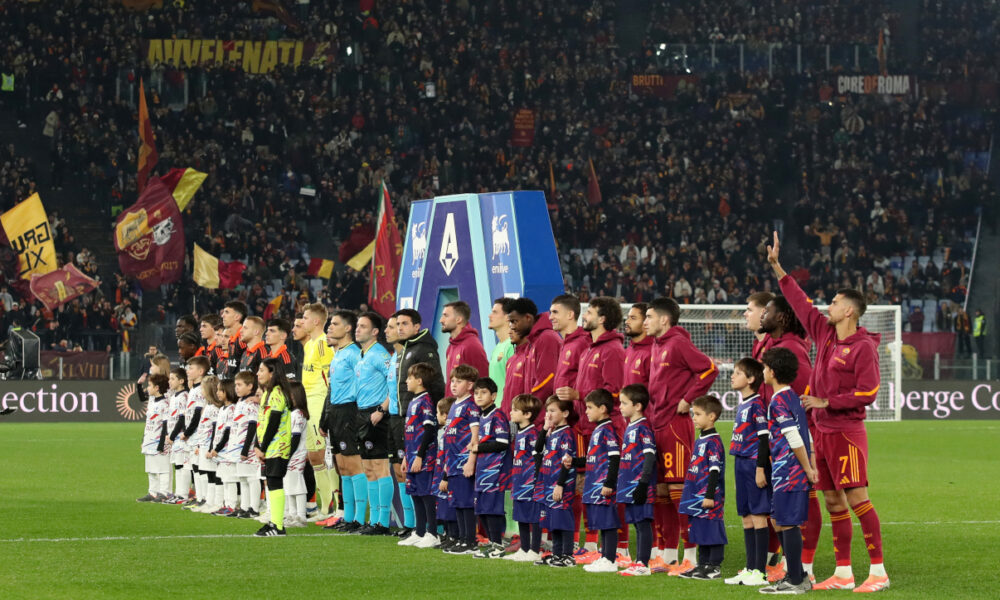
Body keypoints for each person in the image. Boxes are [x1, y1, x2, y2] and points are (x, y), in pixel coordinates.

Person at [767, 232, 889, 592]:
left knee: (857, 499)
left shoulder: (863, 347)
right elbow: (801, 303)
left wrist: (826, 402)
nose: (828, 307)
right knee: (833, 501)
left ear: (849, 310)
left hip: (847, 432)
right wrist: (777, 267)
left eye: (834, 303)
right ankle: (843, 572)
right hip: (821, 433)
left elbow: (869, 391)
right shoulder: (825, 335)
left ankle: (879, 572)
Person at [643, 297, 718, 574]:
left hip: (675, 425)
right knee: (661, 492)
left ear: (664, 319)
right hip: (658, 423)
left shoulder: (677, 343)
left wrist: (688, 398)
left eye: (649, 316)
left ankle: (692, 556)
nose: (645, 321)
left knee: (679, 491)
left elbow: (709, 368)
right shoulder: (657, 344)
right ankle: (667, 555)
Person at [556, 295, 625, 561]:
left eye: (590, 312)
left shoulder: (613, 350)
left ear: (602, 319)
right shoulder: (589, 348)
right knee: (584, 486)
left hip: (608, 428)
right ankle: (591, 545)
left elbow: (613, 393)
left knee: (608, 487)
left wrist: (578, 395)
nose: (584, 316)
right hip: (585, 427)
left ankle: (617, 548)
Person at [759, 295, 818, 581]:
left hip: (790, 463)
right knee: (779, 518)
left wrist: (808, 465)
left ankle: (799, 573)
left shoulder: (782, 397)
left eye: (766, 310)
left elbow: (796, 432)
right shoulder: (789, 397)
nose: (761, 314)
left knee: (789, 518)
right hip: (786, 459)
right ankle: (793, 572)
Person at [724, 358, 771, 587]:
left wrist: (760, 469)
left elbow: (764, 438)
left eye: (738, 372)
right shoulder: (744, 404)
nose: (732, 376)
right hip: (741, 464)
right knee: (745, 516)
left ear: (751, 379)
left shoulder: (757, 405)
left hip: (753, 464)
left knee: (758, 515)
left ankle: (760, 571)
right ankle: (750, 568)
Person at [321, 310, 365, 532]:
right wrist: (325, 417)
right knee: (343, 467)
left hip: (350, 411)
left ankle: (360, 518)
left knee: (354, 465)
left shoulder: (354, 354)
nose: (330, 327)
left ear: (348, 328)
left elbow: (363, 383)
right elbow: (332, 390)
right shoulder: (338, 354)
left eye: (335, 323)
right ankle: (348, 516)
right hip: (336, 413)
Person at [677, 395, 727, 581]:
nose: (694, 418)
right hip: (695, 495)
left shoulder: (713, 441)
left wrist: (710, 495)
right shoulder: (701, 439)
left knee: (712, 530)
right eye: (693, 413)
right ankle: (703, 565)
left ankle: (714, 566)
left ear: (711, 416)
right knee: (700, 530)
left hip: (708, 497)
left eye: (698, 414)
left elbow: (714, 470)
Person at [354, 311, 394, 536]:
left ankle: (383, 522)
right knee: (368, 469)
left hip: (378, 414)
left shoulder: (380, 354)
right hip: (363, 414)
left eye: (363, 326)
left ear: (375, 331)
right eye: (357, 325)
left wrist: (382, 409)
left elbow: (393, 383)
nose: (357, 329)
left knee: (380, 467)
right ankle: (374, 520)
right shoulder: (363, 354)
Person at [573, 389, 622, 574]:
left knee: (608, 523)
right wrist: (574, 462)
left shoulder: (607, 430)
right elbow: (592, 459)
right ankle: (604, 557)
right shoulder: (598, 430)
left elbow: (615, 457)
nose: (586, 411)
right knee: (602, 523)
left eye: (590, 407)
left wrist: (609, 483)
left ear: (602, 409)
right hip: (594, 486)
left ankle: (610, 560)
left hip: (603, 486)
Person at [298, 303, 337, 524]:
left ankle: (334, 508)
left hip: (319, 402)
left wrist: (326, 409)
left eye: (305, 318)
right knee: (314, 457)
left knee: (324, 455)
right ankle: (325, 507)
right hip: (308, 403)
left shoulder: (323, 343)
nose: (301, 321)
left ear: (316, 321)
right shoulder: (309, 344)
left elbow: (330, 378)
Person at [617, 384, 657, 577]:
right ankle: (638, 561)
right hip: (629, 485)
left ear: (638, 406)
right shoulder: (630, 426)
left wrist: (643, 483)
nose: (620, 407)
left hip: (640, 485)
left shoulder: (643, 427)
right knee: (636, 523)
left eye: (624, 403)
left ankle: (643, 563)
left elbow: (650, 456)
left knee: (642, 523)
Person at [440, 364, 481, 555]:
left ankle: (469, 541)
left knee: (466, 503)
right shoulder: (454, 405)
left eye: (459, 381)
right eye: (452, 381)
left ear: (470, 385)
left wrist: (471, 461)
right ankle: (461, 539)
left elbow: (475, 436)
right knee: (457, 502)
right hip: (452, 462)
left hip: (464, 462)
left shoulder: (471, 406)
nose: (454, 385)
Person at [399, 363, 439, 548]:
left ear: (420, 381)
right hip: (412, 455)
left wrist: (420, 456)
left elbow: (430, 430)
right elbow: (411, 432)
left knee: (426, 494)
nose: (406, 381)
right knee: (415, 493)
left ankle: (433, 533)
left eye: (410, 378)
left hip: (424, 457)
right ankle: (420, 531)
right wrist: (406, 456)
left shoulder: (426, 401)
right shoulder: (413, 401)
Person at [534, 396, 577, 567]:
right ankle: (557, 554)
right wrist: (545, 428)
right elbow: (538, 448)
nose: (548, 414)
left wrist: (560, 484)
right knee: (554, 522)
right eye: (547, 411)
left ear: (565, 413)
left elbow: (566, 461)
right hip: (548, 483)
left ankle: (568, 555)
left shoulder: (567, 434)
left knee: (563, 520)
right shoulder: (552, 432)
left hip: (561, 484)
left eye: (552, 411)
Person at [254, 358, 295, 537]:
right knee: (271, 482)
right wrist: (257, 445)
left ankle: (278, 526)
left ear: (272, 373)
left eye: (262, 370)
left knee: (275, 482)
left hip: (278, 446)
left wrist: (262, 447)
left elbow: (273, 422)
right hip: (269, 446)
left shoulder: (277, 393)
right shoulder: (267, 393)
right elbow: (262, 421)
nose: (258, 374)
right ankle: (274, 522)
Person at [470, 377, 510, 558]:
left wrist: (478, 447)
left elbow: (502, 442)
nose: (479, 396)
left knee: (492, 509)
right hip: (483, 471)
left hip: (495, 472)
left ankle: (498, 546)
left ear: (493, 396)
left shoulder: (498, 415)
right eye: (476, 393)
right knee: (482, 510)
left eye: (483, 392)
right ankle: (493, 544)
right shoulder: (482, 416)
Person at [385, 315, 417, 538]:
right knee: (398, 471)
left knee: (409, 472)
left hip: (407, 418)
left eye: (395, 326)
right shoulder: (393, 357)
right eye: (390, 326)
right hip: (393, 418)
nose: (389, 330)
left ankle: (417, 524)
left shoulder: (410, 355)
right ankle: (408, 523)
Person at [503, 393, 542, 563]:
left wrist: (535, 481)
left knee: (533, 517)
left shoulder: (533, 434)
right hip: (519, 481)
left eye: (515, 410)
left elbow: (538, 459)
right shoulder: (520, 433)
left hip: (530, 483)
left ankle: (535, 549)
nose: (511, 412)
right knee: (521, 517)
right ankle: (525, 548)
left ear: (527, 414)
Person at [507, 297, 561, 407]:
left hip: (542, 413)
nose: (512, 327)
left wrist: (529, 407)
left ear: (528, 318)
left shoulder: (547, 339)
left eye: (514, 321)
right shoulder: (532, 342)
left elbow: (547, 380)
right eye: (510, 322)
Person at [393, 308, 446, 417]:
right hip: (406, 413)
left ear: (416, 326)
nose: (400, 328)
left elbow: (436, 383)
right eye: (398, 324)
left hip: (420, 415)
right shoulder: (406, 348)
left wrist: (432, 413)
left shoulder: (424, 349)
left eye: (404, 323)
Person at [550, 293, 590, 412]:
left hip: (577, 415)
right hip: (564, 415)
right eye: (551, 312)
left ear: (570, 315)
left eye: (555, 312)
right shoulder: (565, 343)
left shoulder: (583, 343)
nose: (550, 317)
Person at [137, 373, 171, 502]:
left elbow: (166, 425)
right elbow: (148, 423)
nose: (147, 388)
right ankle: (152, 492)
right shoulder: (152, 401)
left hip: (159, 440)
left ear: (157, 388)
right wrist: (143, 439)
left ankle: (164, 492)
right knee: (150, 468)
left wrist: (162, 443)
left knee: (162, 468)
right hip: (149, 439)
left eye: (150, 385)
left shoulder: (164, 404)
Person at [233, 370, 262, 519]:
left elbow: (252, 426)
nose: (236, 388)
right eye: (235, 385)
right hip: (238, 446)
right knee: (243, 478)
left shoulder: (251, 404)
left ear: (250, 386)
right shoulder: (240, 402)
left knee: (252, 478)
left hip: (248, 447)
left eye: (239, 385)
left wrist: (245, 448)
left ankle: (254, 508)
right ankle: (244, 507)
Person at [192, 376, 222, 513]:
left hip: (210, 447)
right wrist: (199, 445)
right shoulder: (208, 406)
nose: (201, 392)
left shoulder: (215, 408)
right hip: (203, 445)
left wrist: (211, 448)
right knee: (208, 474)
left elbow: (215, 430)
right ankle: (209, 501)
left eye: (203, 389)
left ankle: (216, 502)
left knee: (214, 474)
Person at [433, 396, 459, 550]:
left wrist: (445, 477)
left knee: (450, 508)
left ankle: (454, 536)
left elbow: (450, 456)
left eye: (438, 413)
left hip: (448, 475)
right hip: (440, 473)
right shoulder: (441, 432)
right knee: (443, 506)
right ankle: (448, 535)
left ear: (445, 415)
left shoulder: (451, 433)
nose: (436, 416)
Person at [211, 380, 240, 516]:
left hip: (228, 450)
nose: (217, 393)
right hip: (221, 451)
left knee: (230, 479)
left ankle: (232, 505)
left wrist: (217, 448)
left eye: (220, 390)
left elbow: (228, 433)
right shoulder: (222, 409)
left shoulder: (232, 409)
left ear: (228, 391)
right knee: (225, 479)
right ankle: (226, 504)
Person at [283, 382, 310, 527]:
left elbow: (296, 437)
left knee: (297, 484)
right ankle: (292, 515)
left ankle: (301, 516)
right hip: (290, 453)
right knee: (289, 484)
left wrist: (288, 454)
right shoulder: (292, 413)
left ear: (294, 396)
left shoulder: (298, 414)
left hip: (296, 454)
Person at [442, 300, 489, 378]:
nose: (441, 320)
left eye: (446, 316)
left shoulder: (471, 346)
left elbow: (482, 380)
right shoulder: (451, 346)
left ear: (458, 319)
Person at [166, 367, 190, 504]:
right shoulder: (175, 396)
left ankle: (183, 495)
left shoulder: (183, 396)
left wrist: (172, 435)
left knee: (182, 465)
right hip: (175, 437)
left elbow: (182, 419)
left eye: (172, 379)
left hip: (180, 437)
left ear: (181, 381)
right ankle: (178, 493)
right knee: (178, 465)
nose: (169, 381)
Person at [488, 298, 516, 408]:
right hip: (496, 410)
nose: (490, 316)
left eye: (495, 312)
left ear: (507, 317)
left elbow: (515, 383)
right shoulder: (497, 347)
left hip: (507, 410)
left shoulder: (512, 346)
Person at [623, 303, 652, 387]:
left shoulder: (652, 352)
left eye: (633, 318)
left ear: (646, 322)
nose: (627, 321)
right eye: (628, 317)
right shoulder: (628, 349)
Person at [220, 301, 248, 380]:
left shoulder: (243, 339)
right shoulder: (232, 340)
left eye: (227, 312)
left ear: (237, 317)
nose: (222, 315)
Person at [745, 292, 776, 361]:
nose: (745, 314)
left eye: (750, 310)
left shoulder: (776, 344)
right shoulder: (757, 344)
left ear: (764, 312)